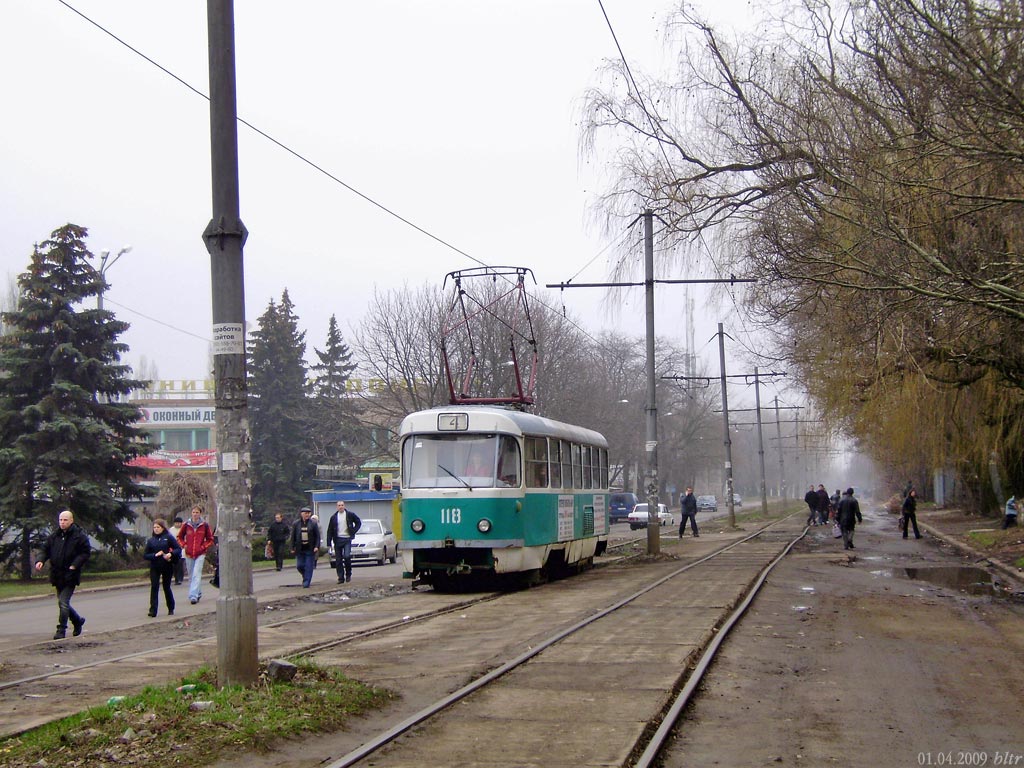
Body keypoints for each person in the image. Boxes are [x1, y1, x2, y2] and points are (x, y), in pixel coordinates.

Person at [34, 510, 91, 640]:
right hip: (57, 574)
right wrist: (40, 561)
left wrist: (74, 565)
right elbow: (45, 550)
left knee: (63, 602)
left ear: (71, 521)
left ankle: (61, 629)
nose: (62, 522)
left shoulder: (79, 536)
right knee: (62, 603)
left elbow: (85, 553)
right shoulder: (55, 536)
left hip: (71, 575)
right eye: (60, 520)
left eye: (65, 520)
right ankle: (77, 621)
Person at [177, 505, 215, 605]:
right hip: (189, 553)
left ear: (200, 514)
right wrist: (184, 545)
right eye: (193, 512)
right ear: (191, 513)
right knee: (191, 575)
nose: (195, 514)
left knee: (196, 574)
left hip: (200, 553)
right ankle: (197, 592)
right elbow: (179, 537)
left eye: (197, 512)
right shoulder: (186, 525)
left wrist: (203, 547)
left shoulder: (204, 525)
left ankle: (193, 596)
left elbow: (210, 539)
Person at [144, 519, 182, 617]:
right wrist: (155, 555)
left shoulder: (168, 537)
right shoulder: (151, 540)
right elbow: (145, 555)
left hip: (166, 565)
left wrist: (170, 554)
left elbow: (178, 549)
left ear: (162, 528)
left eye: (158, 527)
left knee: (166, 586)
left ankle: (171, 607)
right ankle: (153, 610)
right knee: (154, 586)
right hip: (155, 566)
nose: (156, 529)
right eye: (154, 527)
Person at [326, 500, 362, 583]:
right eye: (339, 505)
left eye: (342, 505)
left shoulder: (350, 515)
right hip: (337, 540)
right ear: (337, 507)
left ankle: (348, 574)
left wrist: (353, 530)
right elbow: (330, 530)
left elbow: (358, 522)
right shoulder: (334, 517)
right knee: (338, 560)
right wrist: (329, 543)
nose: (341, 507)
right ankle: (340, 577)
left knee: (346, 556)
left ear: (344, 506)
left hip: (347, 539)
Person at [291, 506, 321, 588]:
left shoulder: (313, 524)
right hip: (300, 548)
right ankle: (305, 575)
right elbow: (293, 536)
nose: (307, 515)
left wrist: (316, 546)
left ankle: (306, 582)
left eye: (308, 513)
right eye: (305, 513)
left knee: (308, 566)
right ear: (301, 514)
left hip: (310, 548)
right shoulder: (296, 524)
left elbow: (317, 536)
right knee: (299, 566)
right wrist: (292, 547)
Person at [168, 516, 185, 584]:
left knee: (180, 564)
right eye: (176, 523)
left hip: (182, 549)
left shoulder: (184, 529)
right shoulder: (171, 530)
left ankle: (180, 578)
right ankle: (176, 578)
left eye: (179, 523)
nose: (177, 524)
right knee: (174, 565)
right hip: (173, 549)